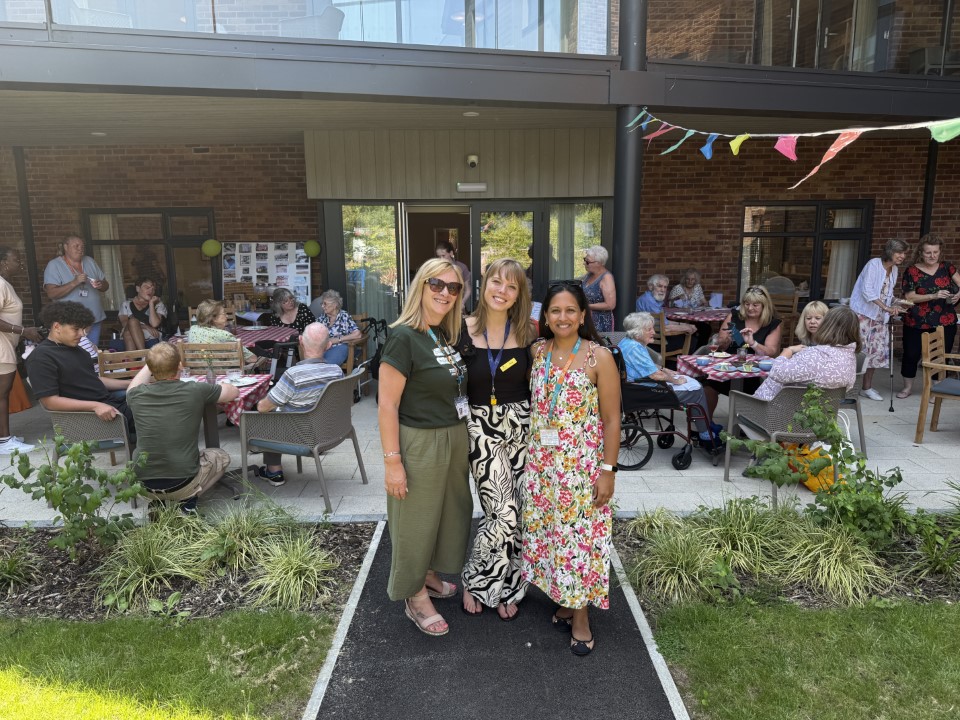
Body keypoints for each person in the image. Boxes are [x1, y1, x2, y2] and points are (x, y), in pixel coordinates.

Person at [522, 280, 620, 657]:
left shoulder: (599, 358)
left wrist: (608, 471)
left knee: (578, 541)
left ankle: (581, 617)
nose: (562, 317)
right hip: (543, 468)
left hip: (581, 470)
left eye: (570, 311)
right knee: (553, 539)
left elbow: (612, 420)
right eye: (555, 311)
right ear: (545, 316)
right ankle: (563, 598)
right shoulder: (537, 351)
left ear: (582, 315)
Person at [379, 257, 471, 637]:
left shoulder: (442, 333)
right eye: (437, 284)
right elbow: (387, 405)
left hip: (453, 436)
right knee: (416, 521)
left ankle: (429, 574)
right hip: (419, 441)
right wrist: (392, 462)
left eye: (454, 288)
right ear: (421, 285)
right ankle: (414, 595)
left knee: (448, 514)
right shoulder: (404, 336)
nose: (445, 293)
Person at [456, 258, 536, 620]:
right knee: (501, 512)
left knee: (519, 512)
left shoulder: (530, 333)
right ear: (484, 283)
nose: (502, 291)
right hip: (479, 426)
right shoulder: (459, 330)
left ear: (519, 294)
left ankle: (511, 586)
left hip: (522, 425)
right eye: (497, 282)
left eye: (511, 286)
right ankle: (477, 579)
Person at [126, 342, 238, 510]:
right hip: (183, 482)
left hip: (143, 485)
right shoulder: (195, 390)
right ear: (180, 365)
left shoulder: (136, 395)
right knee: (221, 457)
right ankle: (188, 500)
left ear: (150, 368)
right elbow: (233, 392)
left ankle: (160, 502)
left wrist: (152, 365)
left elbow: (130, 388)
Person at [25, 301, 135, 439]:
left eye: (83, 329)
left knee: (158, 401)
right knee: (160, 413)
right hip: (92, 419)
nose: (82, 335)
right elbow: (50, 402)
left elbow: (93, 380)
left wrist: (132, 382)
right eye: (76, 329)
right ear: (57, 326)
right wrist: (95, 406)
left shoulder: (79, 351)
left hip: (111, 405)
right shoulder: (41, 357)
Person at [252, 323, 344, 487]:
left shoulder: (293, 375)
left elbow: (262, 408)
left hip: (299, 437)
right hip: (329, 433)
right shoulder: (336, 371)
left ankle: (274, 471)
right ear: (329, 345)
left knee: (266, 415)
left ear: (300, 340)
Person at [619, 312, 719, 446]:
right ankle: (705, 434)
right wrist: (676, 380)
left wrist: (668, 371)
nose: (653, 332)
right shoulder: (635, 348)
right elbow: (655, 375)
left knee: (691, 384)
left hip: (638, 388)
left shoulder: (628, 342)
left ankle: (703, 426)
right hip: (647, 391)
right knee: (697, 391)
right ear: (637, 333)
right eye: (649, 329)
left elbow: (649, 367)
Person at [897, 234, 960, 399]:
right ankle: (907, 388)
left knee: (941, 355)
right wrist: (934, 295)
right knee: (911, 353)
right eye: (928, 252)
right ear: (921, 253)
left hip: (944, 320)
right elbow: (909, 297)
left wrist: (958, 295)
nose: (932, 256)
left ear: (940, 252)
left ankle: (937, 390)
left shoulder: (947, 267)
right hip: (916, 320)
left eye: (935, 252)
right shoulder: (911, 271)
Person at [753, 306, 860, 402]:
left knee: (736, 399)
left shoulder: (814, 355)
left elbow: (776, 373)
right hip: (817, 417)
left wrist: (787, 352)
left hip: (774, 414)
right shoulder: (849, 356)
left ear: (827, 326)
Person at [850, 238, 908, 401]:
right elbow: (867, 291)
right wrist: (886, 307)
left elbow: (886, 294)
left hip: (880, 317)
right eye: (900, 252)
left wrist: (896, 304)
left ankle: (866, 388)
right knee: (857, 351)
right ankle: (848, 387)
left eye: (904, 253)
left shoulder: (894, 270)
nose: (902, 256)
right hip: (863, 314)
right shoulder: (873, 264)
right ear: (890, 252)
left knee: (874, 353)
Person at [0, 247, 42, 454]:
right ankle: (5, 441)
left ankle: (3, 437)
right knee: (2, 394)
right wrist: (24, 331)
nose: (20, 263)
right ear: (3, 262)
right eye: (16, 259)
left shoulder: (4, 284)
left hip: (6, 344)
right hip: (1, 346)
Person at [43, 234, 109, 347]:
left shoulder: (90, 261)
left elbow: (106, 286)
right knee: (72, 355)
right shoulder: (54, 265)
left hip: (94, 319)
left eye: (82, 246)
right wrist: (74, 283)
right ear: (66, 247)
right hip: (70, 322)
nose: (80, 249)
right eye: (76, 246)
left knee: (91, 354)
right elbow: (51, 293)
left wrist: (100, 284)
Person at [187, 299, 258, 368]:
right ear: (213, 318)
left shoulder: (193, 330)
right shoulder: (225, 335)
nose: (227, 316)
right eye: (224, 313)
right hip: (225, 376)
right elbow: (252, 358)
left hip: (198, 377)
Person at [635, 274, 697, 353]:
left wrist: (683, 325)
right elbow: (665, 327)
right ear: (651, 286)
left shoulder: (651, 298)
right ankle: (675, 364)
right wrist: (687, 328)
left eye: (665, 287)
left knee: (690, 335)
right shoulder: (649, 302)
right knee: (692, 340)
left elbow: (664, 321)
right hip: (651, 344)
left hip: (653, 339)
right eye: (660, 286)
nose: (663, 290)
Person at [314, 289, 362, 367]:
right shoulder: (322, 318)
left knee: (327, 366)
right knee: (312, 363)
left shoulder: (344, 316)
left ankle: (326, 375)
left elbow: (357, 334)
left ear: (335, 305)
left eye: (325, 304)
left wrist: (337, 339)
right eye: (322, 303)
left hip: (340, 347)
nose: (322, 306)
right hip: (324, 348)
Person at [118, 277, 167, 350]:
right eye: (147, 287)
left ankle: (135, 359)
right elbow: (125, 324)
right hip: (133, 331)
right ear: (138, 289)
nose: (151, 291)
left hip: (150, 335)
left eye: (153, 289)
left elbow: (154, 324)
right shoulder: (126, 305)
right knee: (132, 322)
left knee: (128, 332)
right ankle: (143, 354)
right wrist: (145, 326)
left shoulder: (158, 305)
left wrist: (151, 304)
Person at [581, 245, 616, 332]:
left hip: (600, 324)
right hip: (587, 321)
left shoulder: (606, 278)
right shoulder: (588, 275)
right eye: (584, 260)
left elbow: (610, 305)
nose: (584, 263)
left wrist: (586, 306)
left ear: (598, 263)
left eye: (587, 262)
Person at [435, 240, 472, 305]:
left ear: (451, 253)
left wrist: (462, 302)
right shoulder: (435, 268)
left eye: (443, 256)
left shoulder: (462, 267)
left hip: (457, 303)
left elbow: (468, 289)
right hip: (440, 302)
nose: (441, 259)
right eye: (439, 256)